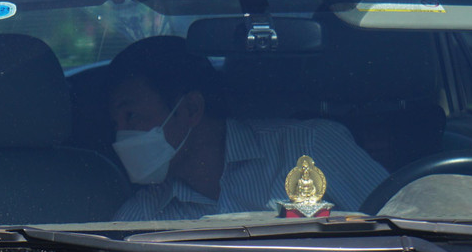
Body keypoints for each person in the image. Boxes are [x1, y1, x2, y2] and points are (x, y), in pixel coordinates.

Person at [107, 36, 387, 220]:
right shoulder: (144, 214)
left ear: (191, 109)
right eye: (115, 123)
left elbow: (403, 225)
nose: (122, 136)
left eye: (131, 116)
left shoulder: (310, 147)